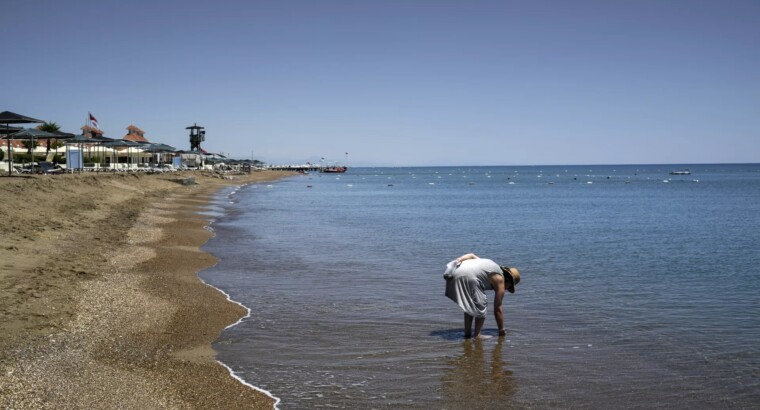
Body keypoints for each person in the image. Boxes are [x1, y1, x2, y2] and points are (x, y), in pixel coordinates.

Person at [443, 253, 520, 339]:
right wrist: (501, 329)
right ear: (508, 280)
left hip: (454, 271)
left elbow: (471, 255)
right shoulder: (500, 279)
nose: (506, 289)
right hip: (468, 277)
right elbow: (498, 309)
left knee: (470, 305)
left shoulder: (490, 265)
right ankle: (477, 335)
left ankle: (467, 334)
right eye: (509, 287)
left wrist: (460, 259)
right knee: (481, 302)